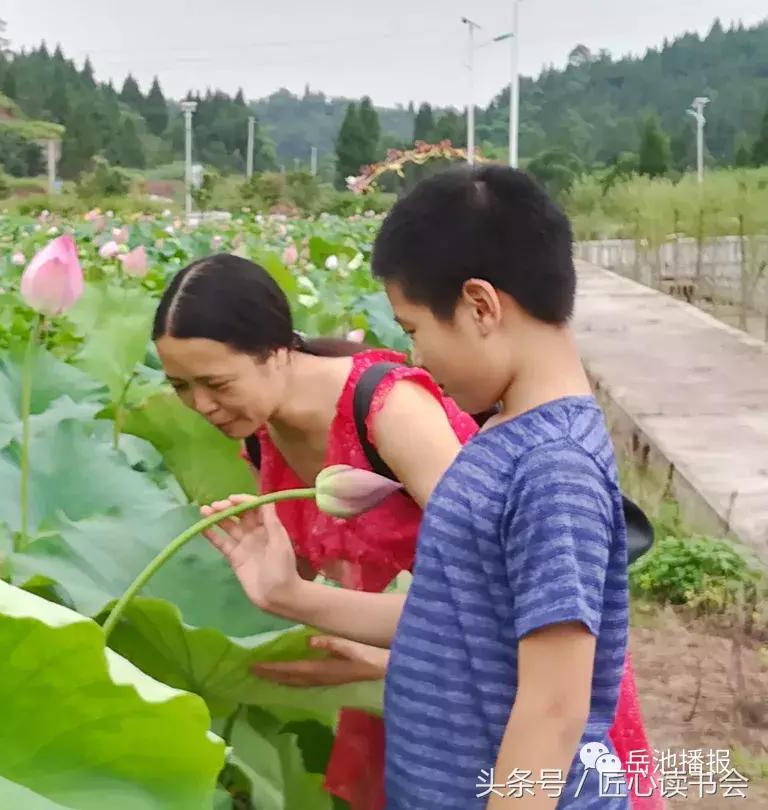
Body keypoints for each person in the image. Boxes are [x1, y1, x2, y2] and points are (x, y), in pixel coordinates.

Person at [197, 166, 662, 809]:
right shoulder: (502, 440)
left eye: (413, 330)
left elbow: (554, 710)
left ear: (480, 305)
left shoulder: (554, 469)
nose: (414, 359)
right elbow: (454, 619)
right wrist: (288, 594)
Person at [152, 252, 479, 809]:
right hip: (396, 671)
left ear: (277, 351)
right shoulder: (261, 431)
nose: (200, 405)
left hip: (494, 679)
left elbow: (494, 600)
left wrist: (382, 658)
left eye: (215, 382)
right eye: (180, 386)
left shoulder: (389, 410)